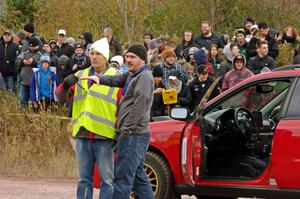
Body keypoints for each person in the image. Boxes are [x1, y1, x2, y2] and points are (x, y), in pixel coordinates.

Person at [80, 44, 155, 199]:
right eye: (127, 56)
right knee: (139, 179)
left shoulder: (145, 77)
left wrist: (126, 131)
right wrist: (98, 78)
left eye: (133, 57)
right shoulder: (133, 74)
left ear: (142, 60)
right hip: (133, 134)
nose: (128, 60)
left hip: (133, 135)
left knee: (122, 180)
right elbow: (118, 79)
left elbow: (138, 109)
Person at [57, 38, 120, 199]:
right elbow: (59, 98)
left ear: (105, 57)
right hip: (83, 135)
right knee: (84, 180)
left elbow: (123, 106)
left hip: (105, 136)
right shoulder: (80, 75)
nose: (94, 57)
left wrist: (120, 130)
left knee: (107, 180)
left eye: (98, 54)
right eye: (91, 53)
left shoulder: (117, 77)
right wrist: (65, 85)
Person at [15, 37, 42, 109]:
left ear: (38, 46)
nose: (32, 48)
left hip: (35, 83)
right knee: (23, 100)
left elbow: (43, 65)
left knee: (35, 102)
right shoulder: (24, 53)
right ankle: (23, 116)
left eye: (33, 46)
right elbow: (17, 61)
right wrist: (23, 62)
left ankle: (35, 117)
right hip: (23, 82)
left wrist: (33, 62)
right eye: (30, 46)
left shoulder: (40, 54)